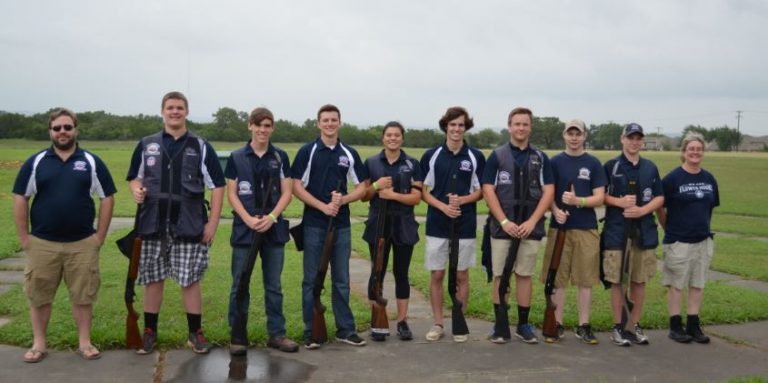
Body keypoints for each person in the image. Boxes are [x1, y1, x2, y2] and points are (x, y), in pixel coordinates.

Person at [13, 108, 116, 362]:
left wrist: (99, 236)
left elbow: (108, 197)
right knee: (39, 296)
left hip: (82, 244)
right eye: (57, 128)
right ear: (50, 131)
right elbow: (20, 197)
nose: (62, 132)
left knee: (83, 296)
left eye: (67, 127)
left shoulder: (90, 161)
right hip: (42, 243)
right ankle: (38, 344)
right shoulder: (36, 162)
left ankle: (85, 342)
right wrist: (24, 237)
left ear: (75, 130)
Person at [127, 91, 225, 355]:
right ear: (162, 111)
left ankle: (195, 333)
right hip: (153, 222)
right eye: (170, 108)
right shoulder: (147, 144)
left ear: (186, 112)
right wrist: (136, 189)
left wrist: (213, 223)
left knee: (189, 280)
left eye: (179, 108)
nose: (175, 112)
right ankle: (150, 332)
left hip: (189, 223)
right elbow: (134, 178)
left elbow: (217, 186)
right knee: (153, 279)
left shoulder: (201, 145)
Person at [292, 104, 369, 349]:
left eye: (333, 120)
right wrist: (322, 206)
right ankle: (311, 331)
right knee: (311, 280)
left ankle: (345, 330)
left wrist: (343, 200)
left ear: (340, 123)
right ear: (318, 123)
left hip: (341, 225)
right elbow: (296, 187)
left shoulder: (349, 153)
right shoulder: (308, 151)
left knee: (342, 279)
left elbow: (362, 186)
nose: (329, 124)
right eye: (325, 120)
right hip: (314, 225)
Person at [225, 107, 298, 354]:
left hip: (273, 227)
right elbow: (232, 194)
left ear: (272, 128)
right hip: (245, 228)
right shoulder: (236, 157)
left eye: (267, 125)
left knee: (274, 285)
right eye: (258, 125)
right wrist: (247, 218)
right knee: (240, 283)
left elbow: (287, 192)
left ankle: (277, 334)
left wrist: (271, 217)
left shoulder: (280, 157)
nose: (262, 130)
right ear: (250, 126)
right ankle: (237, 336)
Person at [481, 106, 554, 344]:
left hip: (530, 228)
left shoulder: (541, 157)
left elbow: (549, 191)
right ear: (509, 126)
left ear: (530, 127)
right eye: (517, 123)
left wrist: (533, 221)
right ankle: (500, 324)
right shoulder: (497, 156)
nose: (521, 128)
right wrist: (504, 220)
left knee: (524, 275)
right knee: (500, 276)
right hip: (503, 227)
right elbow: (488, 190)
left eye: (525, 124)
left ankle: (523, 325)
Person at [420, 106, 485, 343]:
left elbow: (480, 192)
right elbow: (423, 192)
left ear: (466, 127)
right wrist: (443, 206)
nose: (456, 129)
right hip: (437, 223)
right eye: (452, 124)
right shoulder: (432, 155)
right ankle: (437, 323)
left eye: (461, 125)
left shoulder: (475, 156)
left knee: (461, 275)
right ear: (445, 126)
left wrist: (464, 200)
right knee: (437, 274)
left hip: (465, 224)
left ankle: (460, 320)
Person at [539, 119, 605, 344]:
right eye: (571, 133)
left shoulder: (593, 163)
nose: (574, 137)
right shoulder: (554, 162)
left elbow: (600, 197)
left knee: (585, 280)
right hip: (560, 228)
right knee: (557, 280)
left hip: (586, 228)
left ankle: (584, 325)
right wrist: (555, 210)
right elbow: (547, 193)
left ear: (585, 136)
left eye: (578, 133)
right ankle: (556, 323)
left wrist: (579, 200)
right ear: (564, 135)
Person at [602, 122, 664, 347]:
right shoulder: (611, 166)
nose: (634, 142)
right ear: (622, 139)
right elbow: (600, 195)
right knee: (618, 280)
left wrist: (643, 210)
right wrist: (618, 201)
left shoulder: (650, 167)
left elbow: (659, 197)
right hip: (617, 232)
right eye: (631, 138)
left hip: (643, 232)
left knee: (639, 280)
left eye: (638, 138)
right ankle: (618, 326)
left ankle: (633, 325)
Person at [361, 121, 423, 342]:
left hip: (404, 224)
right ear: (383, 138)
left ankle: (403, 321)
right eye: (389, 135)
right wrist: (376, 187)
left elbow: (417, 197)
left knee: (401, 274)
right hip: (378, 223)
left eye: (397, 135)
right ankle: (377, 319)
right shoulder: (370, 162)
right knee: (376, 272)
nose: (393, 138)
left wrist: (393, 195)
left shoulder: (413, 164)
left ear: (402, 139)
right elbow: (364, 195)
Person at [656, 133, 718, 344]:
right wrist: (668, 227)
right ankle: (675, 326)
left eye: (699, 149)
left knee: (697, 284)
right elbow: (659, 206)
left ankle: (693, 324)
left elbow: (709, 207)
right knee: (676, 284)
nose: (695, 152)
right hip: (678, 241)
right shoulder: (673, 179)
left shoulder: (709, 179)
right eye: (691, 149)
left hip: (702, 240)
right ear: (683, 152)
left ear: (703, 152)